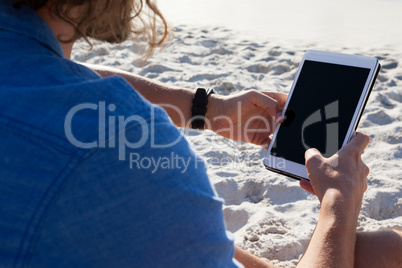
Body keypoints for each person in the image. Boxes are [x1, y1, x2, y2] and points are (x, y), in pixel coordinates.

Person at [0, 1, 400, 267]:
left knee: (385, 249)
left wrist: (207, 110)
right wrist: (338, 202)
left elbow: (58, 81)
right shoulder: (118, 153)